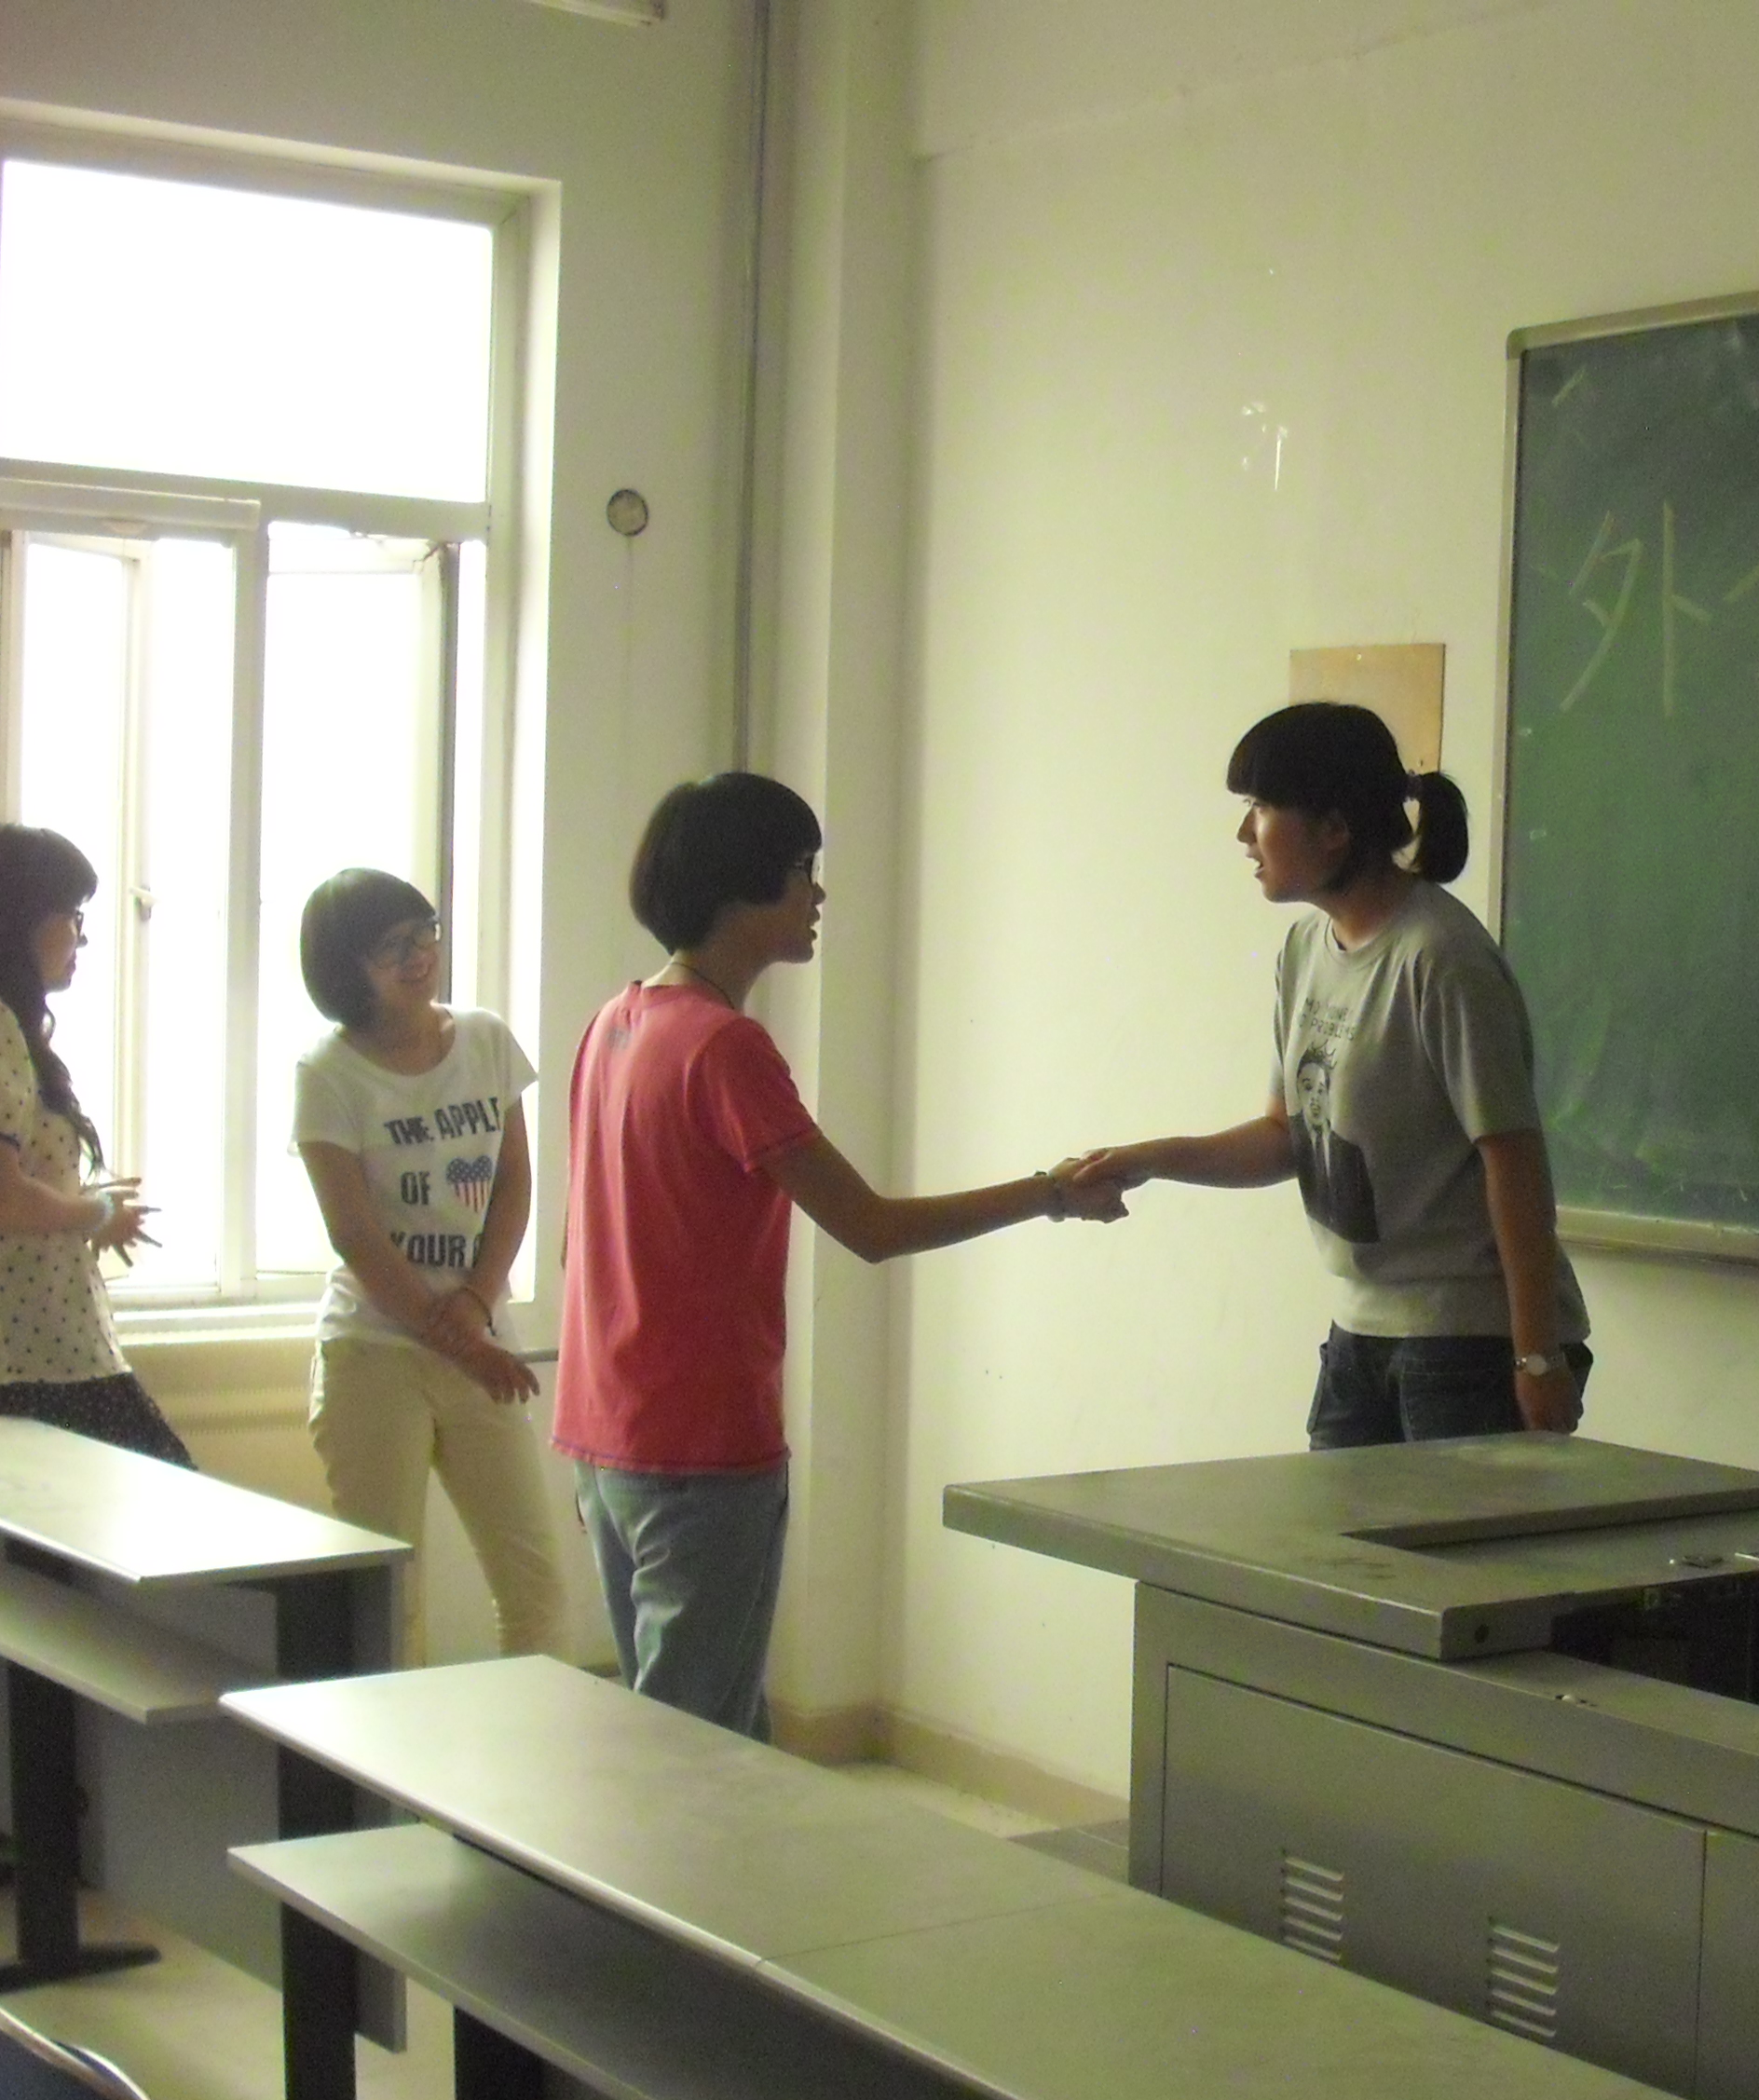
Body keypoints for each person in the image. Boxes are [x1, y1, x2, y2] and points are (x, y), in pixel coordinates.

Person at [553, 772, 1125, 1738]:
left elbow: (586, 1240)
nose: (817, 894)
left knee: (693, 1730)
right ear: (740, 888)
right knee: (692, 1751)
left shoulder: (616, 1023)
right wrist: (1051, 1193)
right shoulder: (724, 1047)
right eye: (800, 871)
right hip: (698, 1442)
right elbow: (871, 1227)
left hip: (606, 1429)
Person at [1070, 702, 1591, 1447]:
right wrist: (1148, 1159)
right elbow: (1286, 1136)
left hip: (1470, 1343)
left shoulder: (1440, 959)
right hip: (1360, 1333)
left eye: (1260, 808)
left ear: (1334, 829)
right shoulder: (1304, 951)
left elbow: (1513, 1160)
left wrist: (1536, 1354)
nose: (1244, 835)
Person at [292, 868, 561, 1665]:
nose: (418, 956)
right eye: (391, 946)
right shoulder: (328, 1073)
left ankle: (531, 1745)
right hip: (374, 1353)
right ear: (346, 967)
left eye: (425, 933)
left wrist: (477, 1305)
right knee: (382, 1601)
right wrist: (464, 1339)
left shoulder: (484, 1040)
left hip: (480, 1341)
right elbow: (355, 1235)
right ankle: (383, 1752)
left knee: (536, 1591)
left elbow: (513, 1182)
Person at [0, 825, 187, 1464]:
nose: (82, 937)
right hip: (28, 1358)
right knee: (170, 1500)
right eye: (72, 916)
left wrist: (74, 1206)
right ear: (17, 919)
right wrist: (95, 1212)